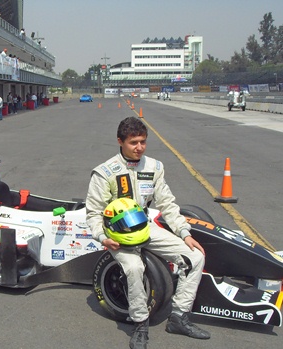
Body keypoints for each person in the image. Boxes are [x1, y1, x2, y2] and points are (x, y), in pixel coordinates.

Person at [85, 116, 210, 349]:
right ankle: (140, 324)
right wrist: (103, 238)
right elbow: (93, 213)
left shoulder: (154, 167)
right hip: (117, 233)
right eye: (133, 143)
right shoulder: (104, 173)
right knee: (134, 268)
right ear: (120, 141)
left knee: (195, 256)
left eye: (143, 141)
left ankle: (179, 317)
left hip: (144, 225)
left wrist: (184, 232)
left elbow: (168, 204)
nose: (139, 147)